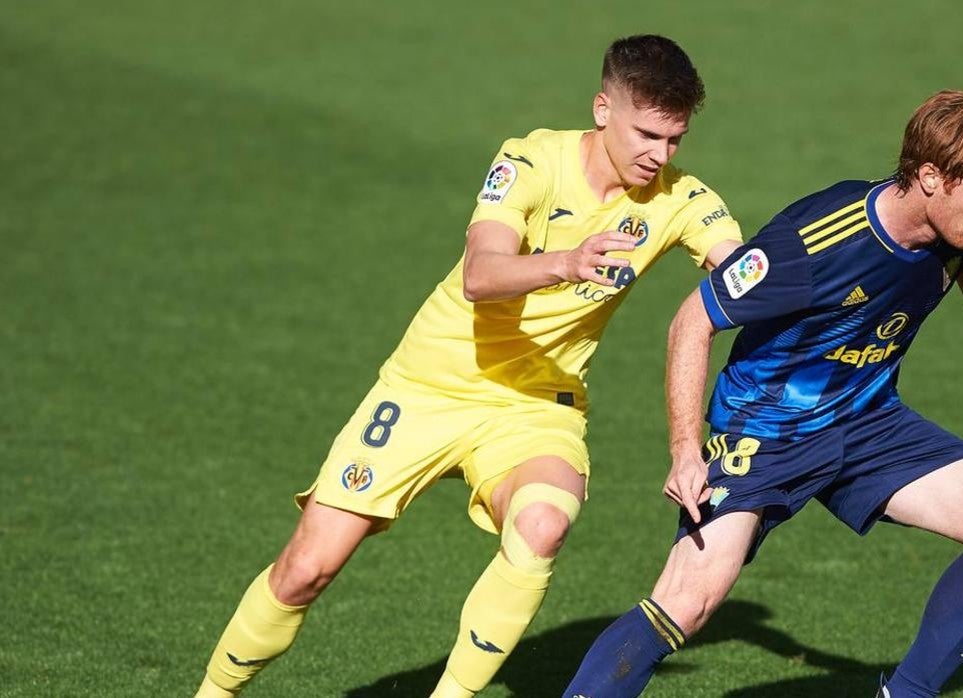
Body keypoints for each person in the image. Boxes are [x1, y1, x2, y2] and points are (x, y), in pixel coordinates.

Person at [195, 34, 742, 698]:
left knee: (542, 526)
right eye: (648, 134)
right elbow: (481, 275)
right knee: (306, 569)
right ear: (603, 109)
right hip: (433, 382)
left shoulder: (680, 200)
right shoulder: (531, 160)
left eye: (675, 139)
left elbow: (748, 271)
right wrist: (565, 263)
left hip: (538, 403)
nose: (660, 156)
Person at [563, 90, 963, 698]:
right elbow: (693, 320)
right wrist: (686, 451)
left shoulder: (959, 227)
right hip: (764, 433)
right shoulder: (813, 242)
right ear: (930, 177)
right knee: (687, 602)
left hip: (869, 423)